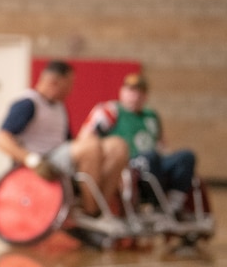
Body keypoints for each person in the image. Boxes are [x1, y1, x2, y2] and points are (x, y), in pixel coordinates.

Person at [0, 60, 127, 216]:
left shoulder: (59, 107)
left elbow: (70, 142)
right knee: (90, 147)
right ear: (54, 82)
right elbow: (1, 139)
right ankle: (91, 212)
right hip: (43, 161)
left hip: (61, 157)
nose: (71, 90)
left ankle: (100, 207)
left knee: (118, 146)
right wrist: (32, 160)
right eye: (69, 84)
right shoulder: (28, 103)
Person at [79, 72, 197, 214]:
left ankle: (173, 206)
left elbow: (162, 145)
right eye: (131, 91)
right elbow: (85, 139)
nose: (135, 96)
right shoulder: (110, 111)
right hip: (130, 164)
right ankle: (156, 203)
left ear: (146, 96)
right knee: (149, 156)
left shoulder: (151, 116)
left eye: (140, 92)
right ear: (122, 92)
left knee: (186, 156)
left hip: (154, 164)